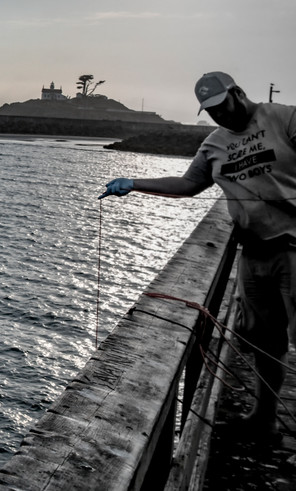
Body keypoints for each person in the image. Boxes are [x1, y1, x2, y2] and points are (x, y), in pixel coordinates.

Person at [101, 71, 296, 437]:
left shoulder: (284, 118)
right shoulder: (214, 144)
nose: (217, 115)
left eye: (221, 106)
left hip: (293, 247)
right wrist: (134, 184)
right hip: (253, 254)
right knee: (264, 341)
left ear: (238, 93)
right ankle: (264, 419)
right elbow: (190, 184)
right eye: (209, 111)